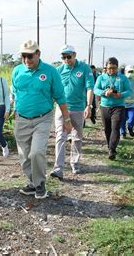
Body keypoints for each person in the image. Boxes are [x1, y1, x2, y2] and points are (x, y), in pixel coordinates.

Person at [11, 40, 71, 199]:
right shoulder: (17, 71)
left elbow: (60, 96)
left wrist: (66, 119)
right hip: (22, 119)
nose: (26, 60)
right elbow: (15, 93)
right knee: (24, 155)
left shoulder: (50, 72)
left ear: (38, 54)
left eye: (30, 56)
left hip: (42, 119)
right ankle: (33, 182)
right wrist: (14, 110)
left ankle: (40, 184)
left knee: (37, 152)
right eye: (23, 56)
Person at [50, 45, 94, 180]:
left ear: (74, 55)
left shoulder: (84, 68)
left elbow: (89, 87)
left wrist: (89, 105)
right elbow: (53, 90)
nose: (66, 60)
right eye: (63, 57)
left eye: (69, 56)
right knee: (60, 136)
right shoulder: (58, 70)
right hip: (62, 108)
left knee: (77, 137)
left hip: (78, 108)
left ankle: (75, 163)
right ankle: (58, 168)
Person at [93, 57, 132, 160]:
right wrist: (104, 93)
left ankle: (112, 150)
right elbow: (95, 89)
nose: (111, 70)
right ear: (106, 67)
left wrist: (121, 94)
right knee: (107, 129)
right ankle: (110, 145)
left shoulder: (123, 78)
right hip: (105, 106)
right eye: (109, 68)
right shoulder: (101, 78)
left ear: (117, 67)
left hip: (118, 106)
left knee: (115, 128)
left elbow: (129, 91)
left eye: (114, 68)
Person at [120, 65, 134, 138]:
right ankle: (123, 133)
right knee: (122, 120)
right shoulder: (121, 80)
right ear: (125, 72)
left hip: (131, 105)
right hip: (122, 104)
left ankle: (130, 128)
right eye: (129, 71)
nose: (131, 73)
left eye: (132, 72)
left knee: (132, 118)